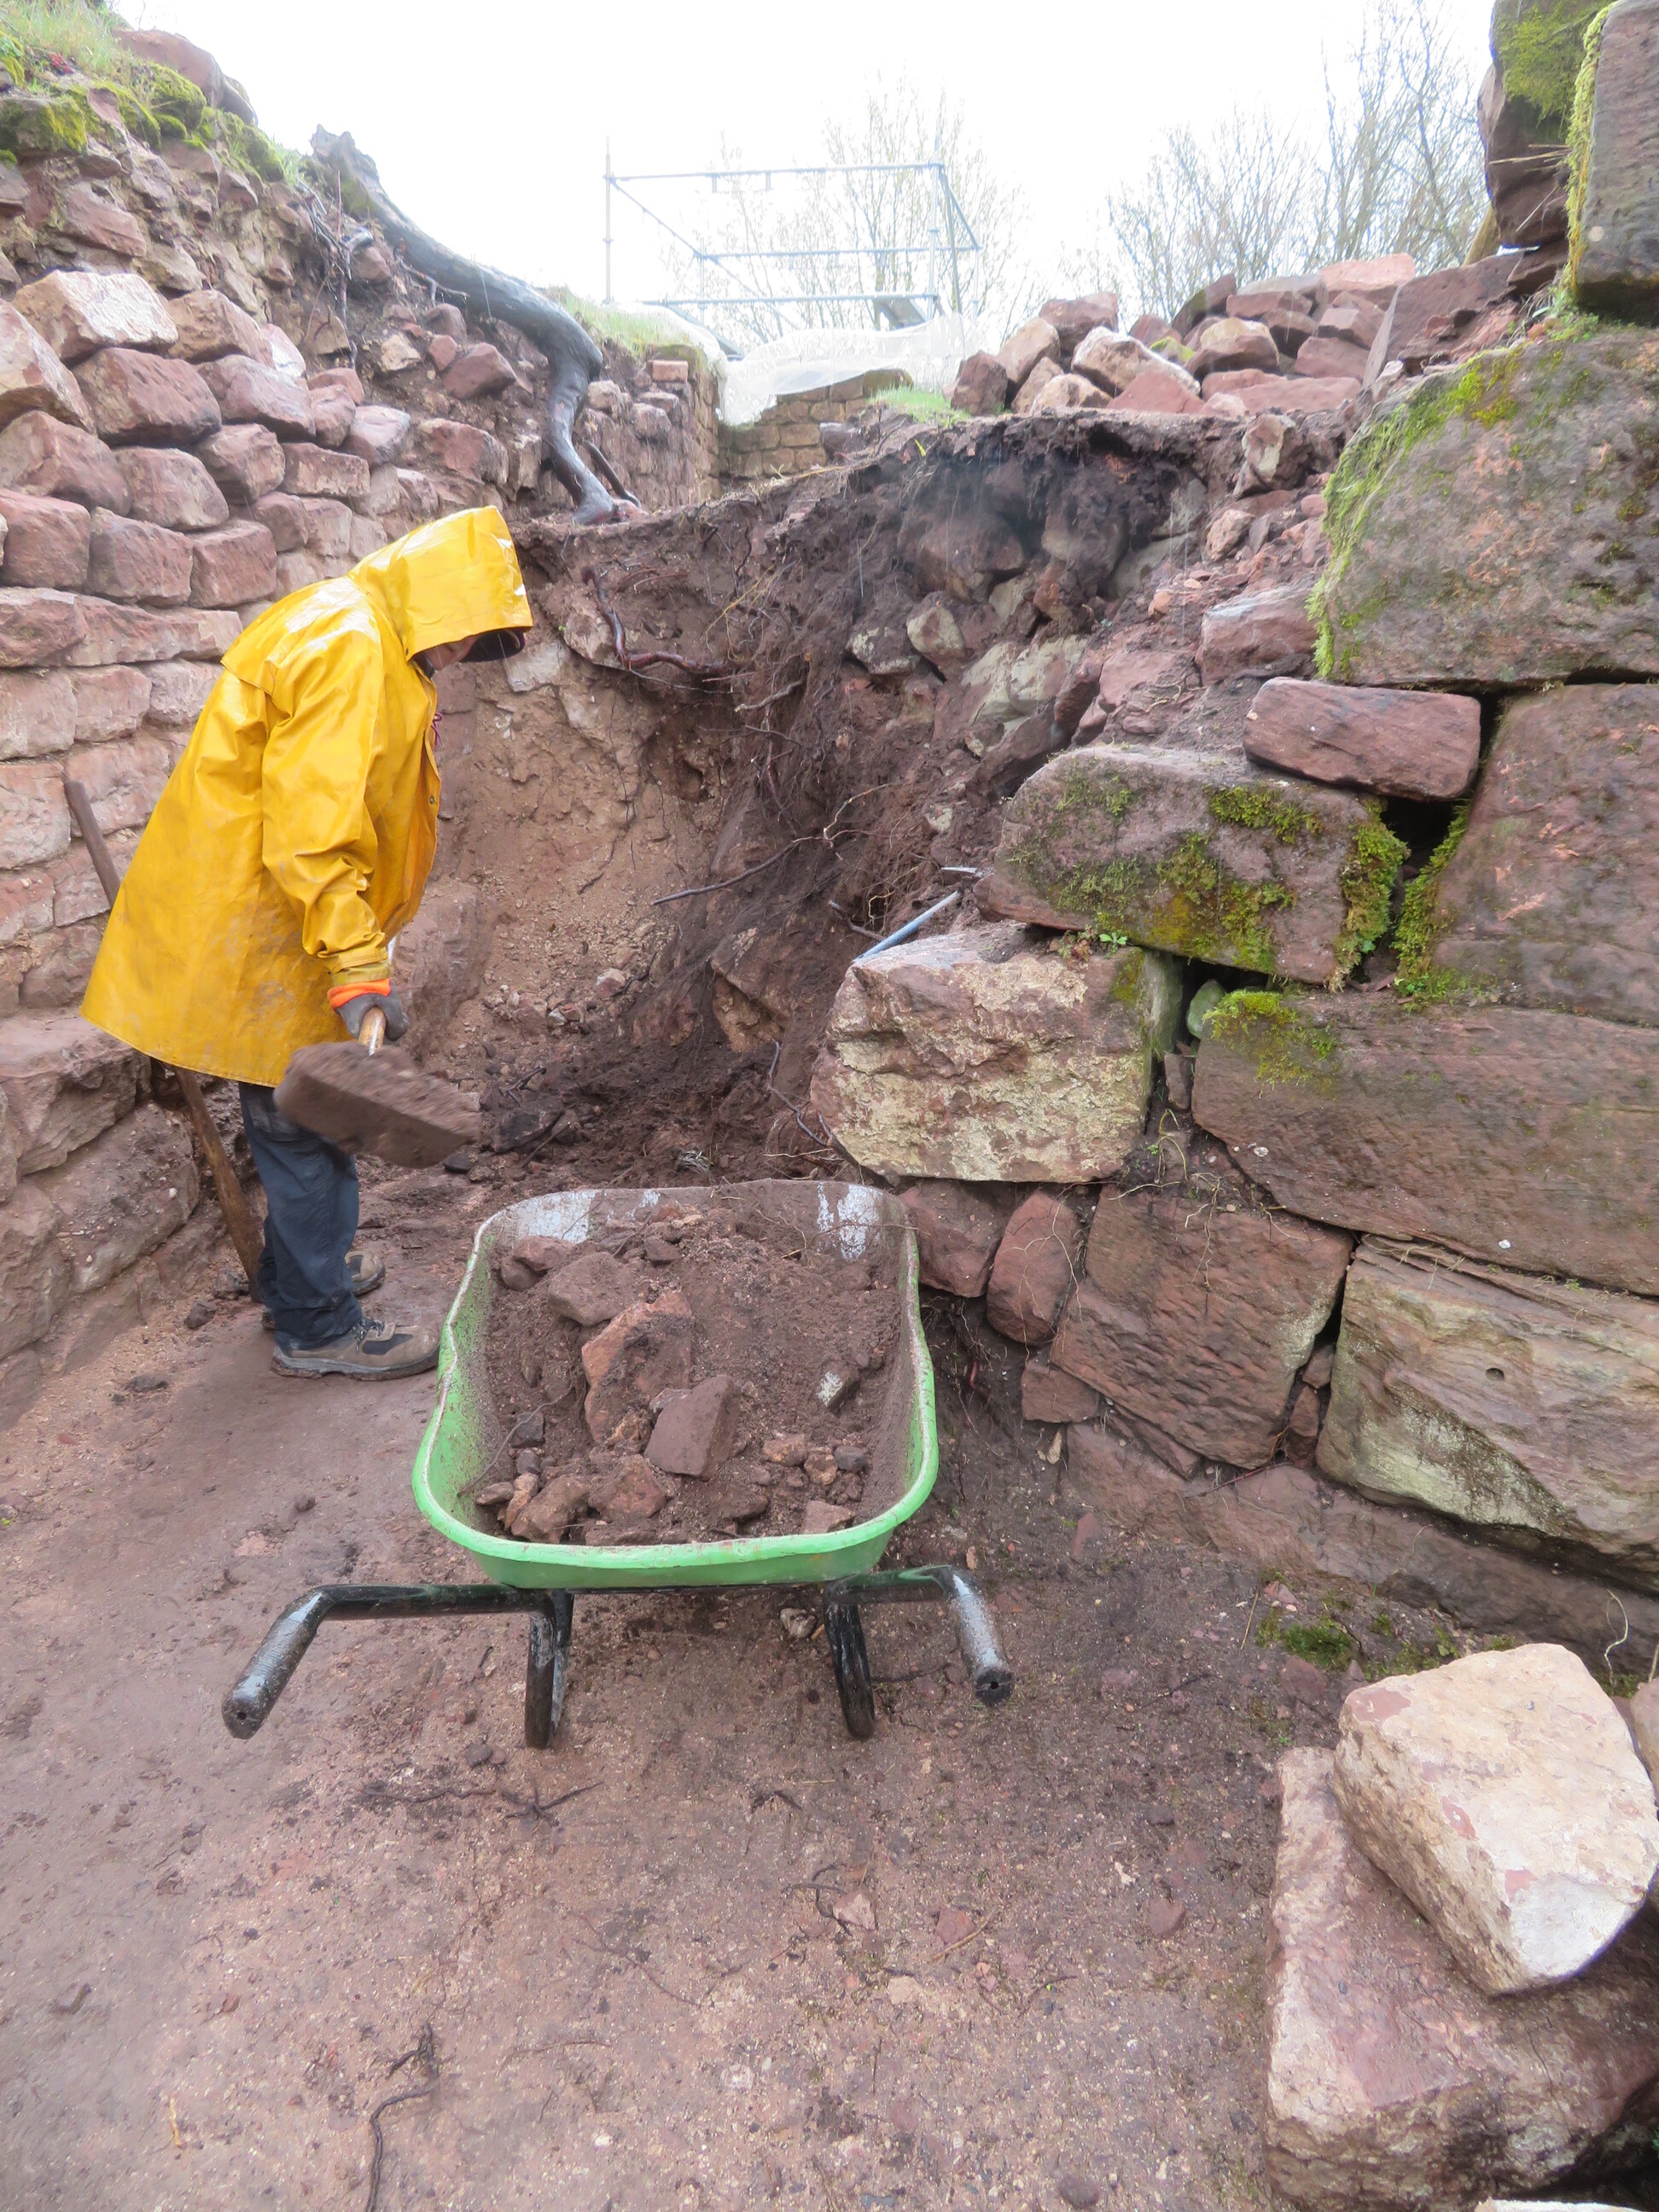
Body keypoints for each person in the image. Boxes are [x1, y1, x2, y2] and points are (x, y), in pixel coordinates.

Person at [82, 504, 532, 1379]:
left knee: (298, 1121)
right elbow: (312, 836)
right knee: (305, 1127)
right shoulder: (352, 648)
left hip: (273, 922)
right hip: (265, 929)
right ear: (441, 600)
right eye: (470, 631)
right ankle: (318, 1327)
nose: (467, 651)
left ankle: (300, 1278)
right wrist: (358, 966)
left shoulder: (358, 628)